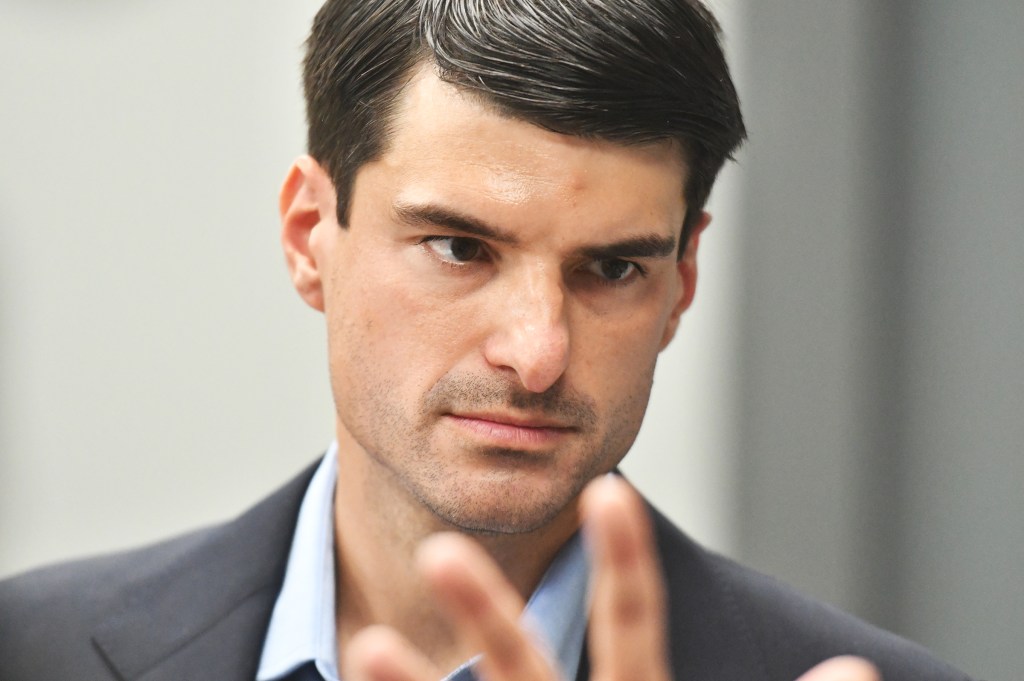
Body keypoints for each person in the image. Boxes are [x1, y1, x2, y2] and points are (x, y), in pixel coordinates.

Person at [0, 2, 971, 680]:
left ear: (681, 282)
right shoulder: (31, 651)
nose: (536, 352)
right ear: (308, 236)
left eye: (612, 268)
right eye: (460, 248)